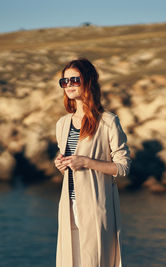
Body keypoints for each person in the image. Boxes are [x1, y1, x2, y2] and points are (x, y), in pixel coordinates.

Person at [54, 58, 131, 267]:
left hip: (96, 206)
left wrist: (87, 162)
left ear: (87, 82)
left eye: (74, 80)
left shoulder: (108, 121)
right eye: (64, 81)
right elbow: (69, 164)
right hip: (68, 206)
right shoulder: (62, 124)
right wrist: (61, 164)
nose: (68, 85)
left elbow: (122, 167)